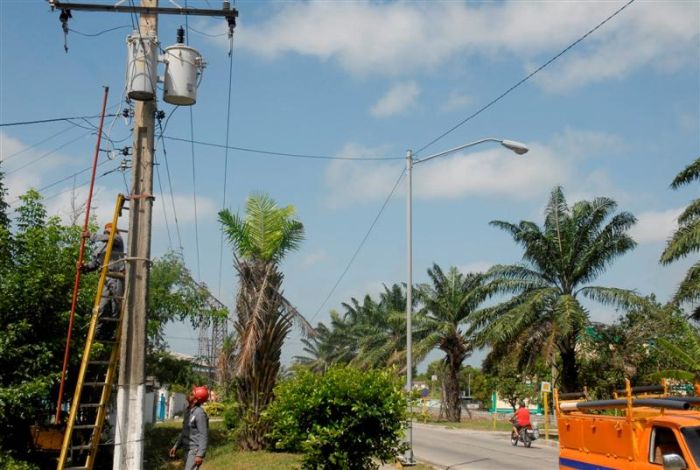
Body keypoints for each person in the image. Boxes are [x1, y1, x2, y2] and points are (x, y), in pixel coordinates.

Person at [80, 222, 125, 338]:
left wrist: (91, 235)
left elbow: (108, 238)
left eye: (109, 230)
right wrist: (84, 267)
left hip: (116, 276)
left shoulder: (117, 239)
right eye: (106, 230)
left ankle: (113, 333)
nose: (107, 232)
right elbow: (95, 264)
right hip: (104, 278)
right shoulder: (100, 249)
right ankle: (100, 332)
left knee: (116, 306)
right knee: (103, 306)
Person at [170, 386, 210, 469]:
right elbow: (185, 432)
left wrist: (200, 454)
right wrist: (176, 446)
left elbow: (204, 435)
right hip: (187, 449)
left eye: (192, 394)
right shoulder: (188, 411)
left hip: (194, 451)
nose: (189, 394)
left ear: (195, 400)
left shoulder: (200, 414)